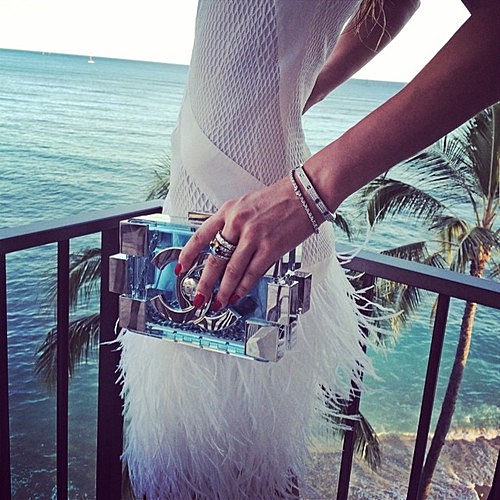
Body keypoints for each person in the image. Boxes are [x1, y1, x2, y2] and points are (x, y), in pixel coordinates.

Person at [119, 1, 500, 498]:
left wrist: (309, 191)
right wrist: (302, 88)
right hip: (197, 246)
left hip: (260, 253)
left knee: (241, 474)